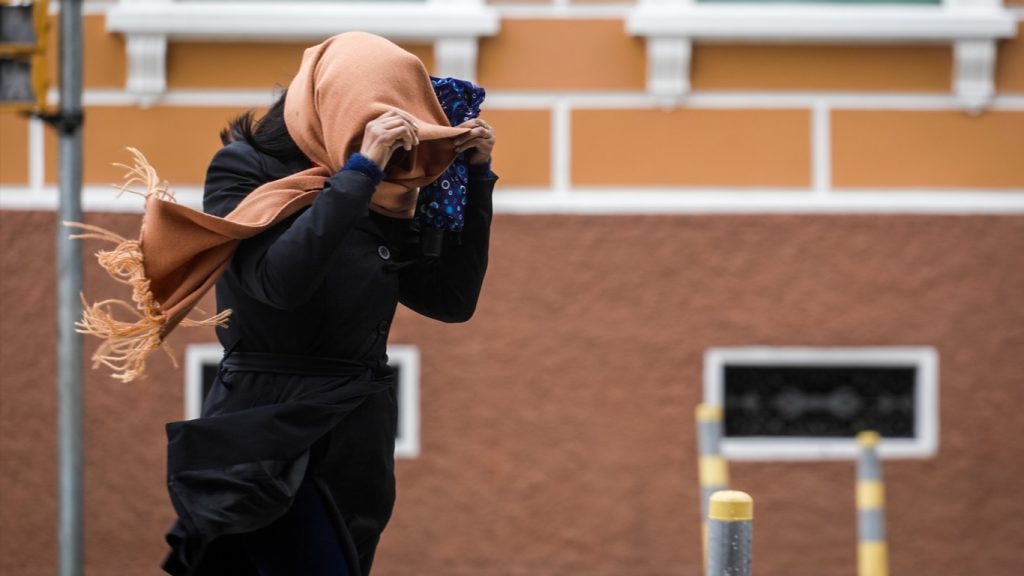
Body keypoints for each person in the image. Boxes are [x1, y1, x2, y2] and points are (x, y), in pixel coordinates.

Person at [157, 32, 498, 575]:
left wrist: (477, 178)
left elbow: (451, 300)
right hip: (268, 426)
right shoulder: (245, 169)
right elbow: (277, 285)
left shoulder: (387, 186)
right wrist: (359, 173)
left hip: (356, 432)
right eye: (370, 121)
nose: (386, 144)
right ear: (334, 106)